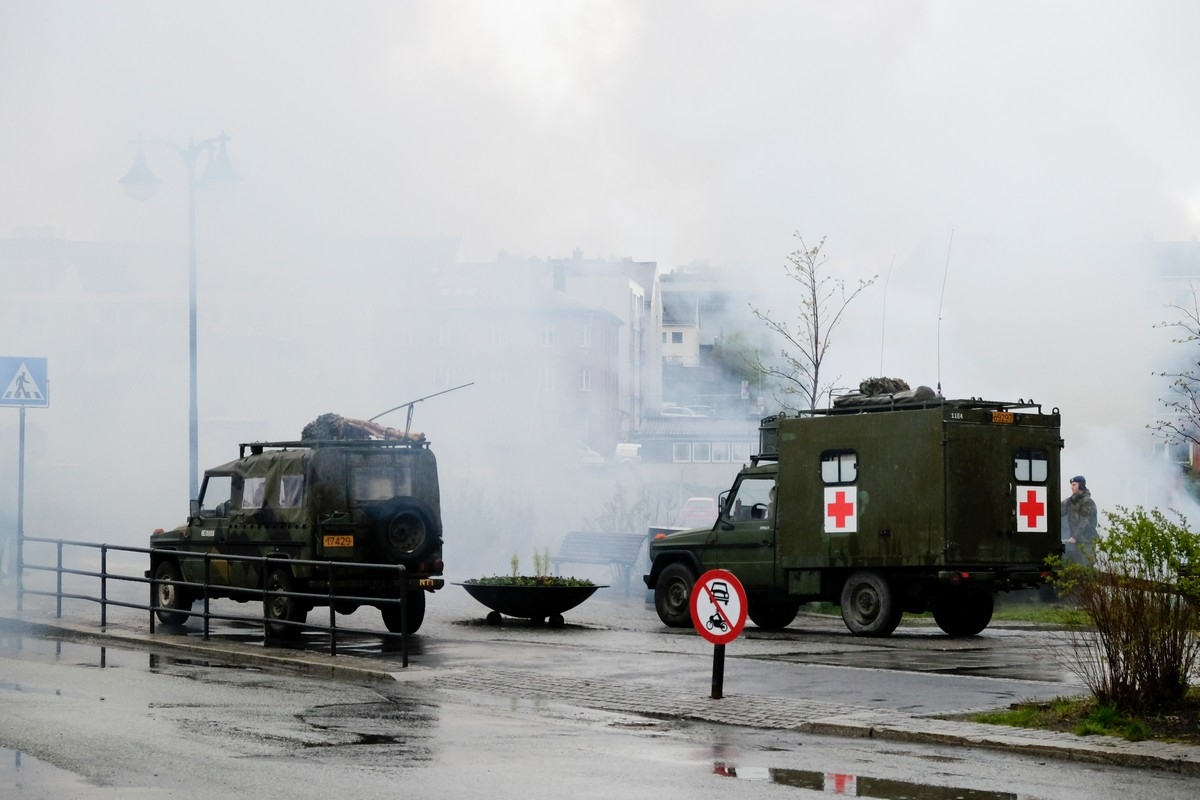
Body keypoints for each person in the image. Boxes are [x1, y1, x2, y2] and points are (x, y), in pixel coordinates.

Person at [1060, 475, 1097, 565]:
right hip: (1075, 541)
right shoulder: (1070, 501)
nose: (1071, 487)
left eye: (1074, 485)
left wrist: (1074, 536)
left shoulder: (1087, 502)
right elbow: (1058, 510)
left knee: (1086, 567)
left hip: (1086, 541)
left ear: (1081, 486)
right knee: (1074, 568)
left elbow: (1085, 521)